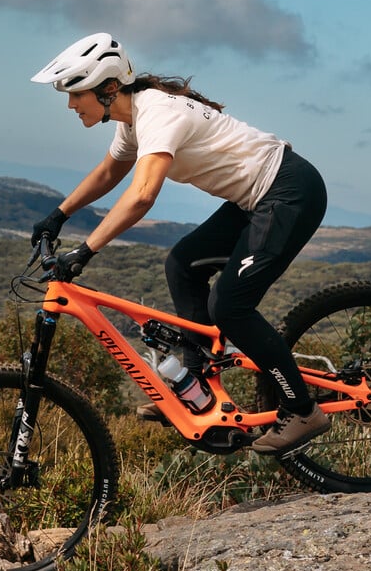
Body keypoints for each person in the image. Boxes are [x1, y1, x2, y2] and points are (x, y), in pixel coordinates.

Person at [27, 32, 331, 456]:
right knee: (182, 264)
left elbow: (142, 194)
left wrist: (85, 250)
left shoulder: (157, 113)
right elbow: (109, 172)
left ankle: (302, 409)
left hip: (288, 192)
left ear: (108, 87)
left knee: (229, 306)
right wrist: (58, 215)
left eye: (76, 93)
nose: (71, 104)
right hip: (256, 198)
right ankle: (199, 388)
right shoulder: (134, 118)